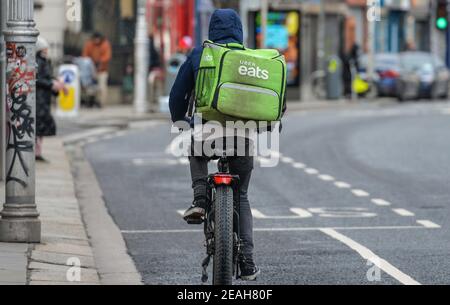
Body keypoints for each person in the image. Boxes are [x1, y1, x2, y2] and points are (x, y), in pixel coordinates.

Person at [169, 9, 260, 281]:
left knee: (195, 150)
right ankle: (247, 262)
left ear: (212, 29)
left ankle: (199, 199)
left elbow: (177, 95)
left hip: (207, 133)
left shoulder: (200, 54)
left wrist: (179, 120)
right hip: (242, 136)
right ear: (239, 31)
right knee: (241, 196)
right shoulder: (249, 58)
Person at [35, 37, 67, 162]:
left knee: (41, 126)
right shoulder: (38, 61)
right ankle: (36, 152)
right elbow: (38, 79)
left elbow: (46, 78)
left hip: (43, 98)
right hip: (39, 99)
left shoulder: (45, 62)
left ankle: (38, 152)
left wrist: (55, 83)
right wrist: (52, 84)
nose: (47, 51)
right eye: (45, 49)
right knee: (38, 126)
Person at [82, 32, 112, 108]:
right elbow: (85, 55)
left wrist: (100, 62)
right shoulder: (89, 44)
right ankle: (90, 101)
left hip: (102, 70)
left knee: (102, 87)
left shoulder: (105, 44)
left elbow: (107, 56)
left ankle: (101, 103)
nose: (96, 41)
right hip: (91, 70)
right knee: (89, 86)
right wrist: (90, 63)